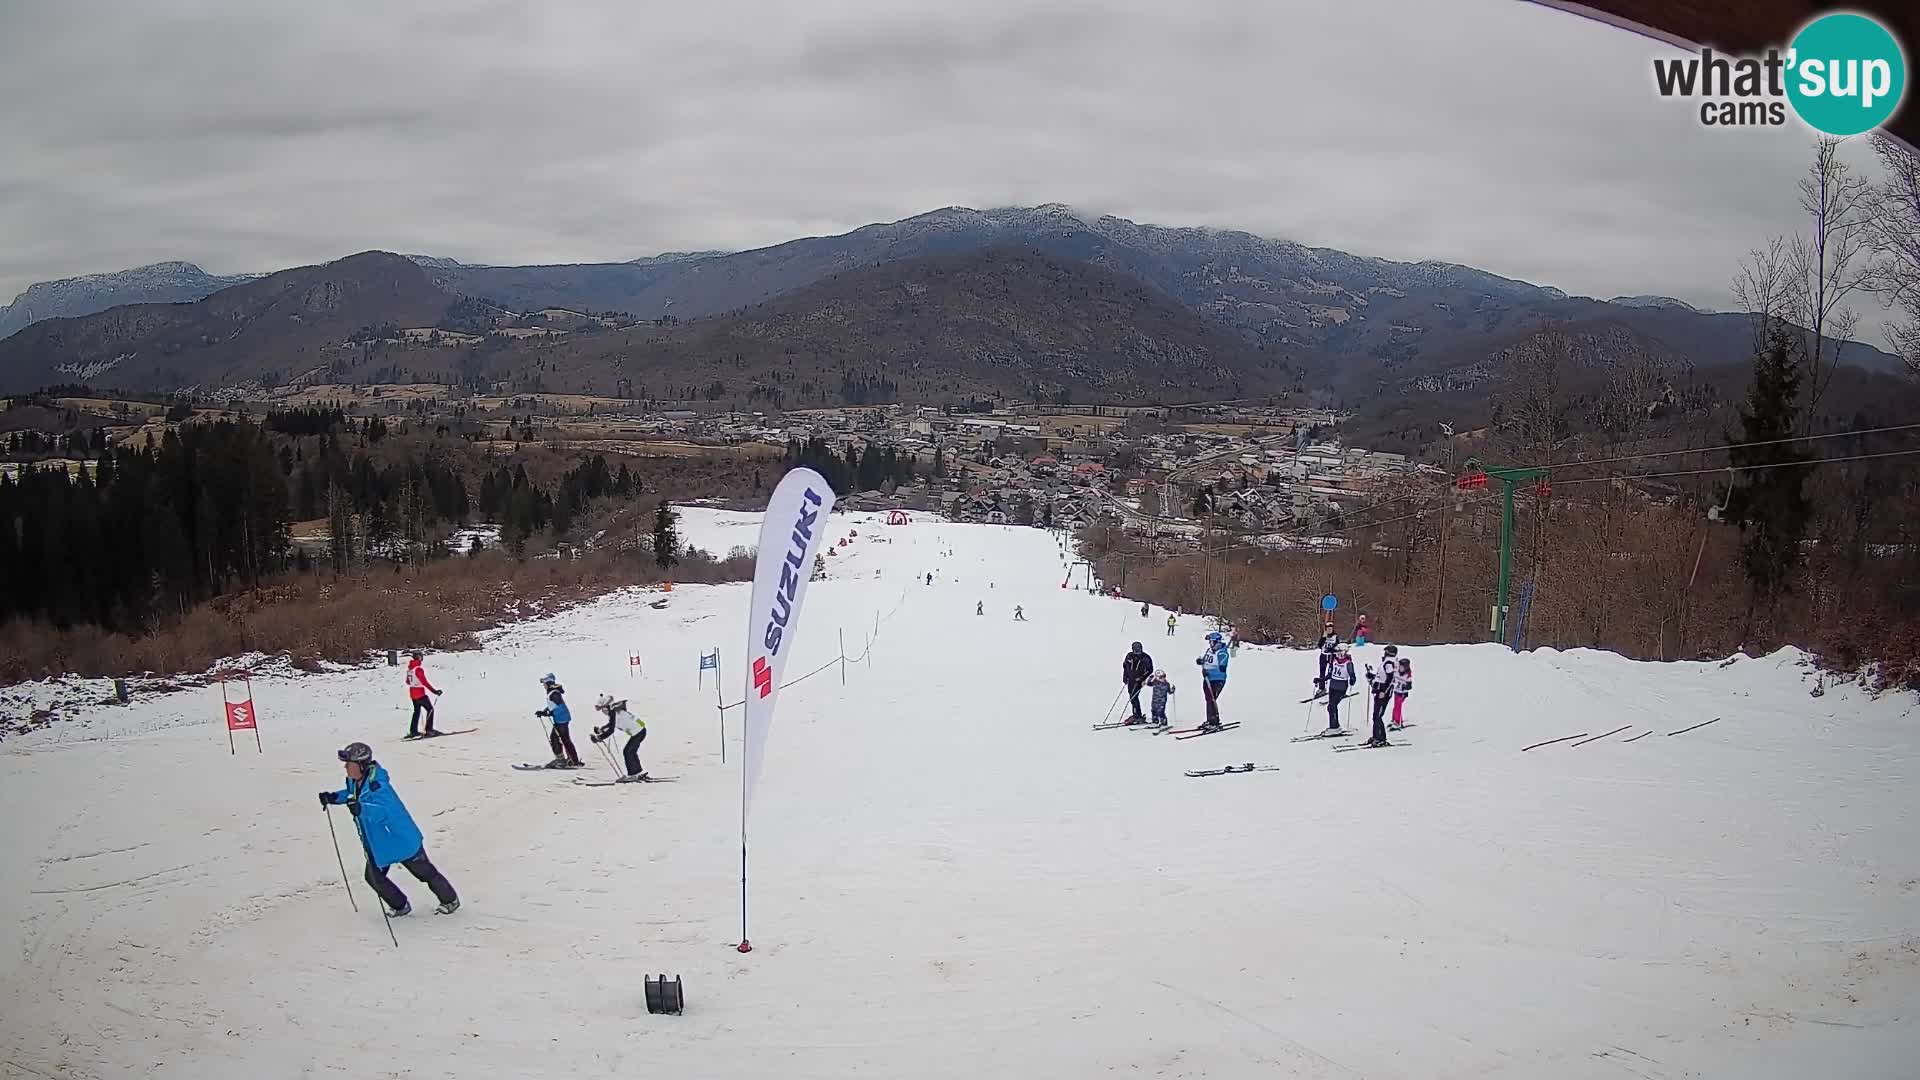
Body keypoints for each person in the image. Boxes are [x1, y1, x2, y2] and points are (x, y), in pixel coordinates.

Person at [319, 742, 459, 916]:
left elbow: (384, 811)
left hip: (401, 840)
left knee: (425, 873)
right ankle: (400, 905)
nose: (346, 767)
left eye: (349, 764)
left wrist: (362, 809)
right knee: (373, 877)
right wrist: (334, 797)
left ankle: (450, 900)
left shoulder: (378, 786)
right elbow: (352, 795)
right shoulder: (355, 782)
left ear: (361, 765)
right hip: (380, 844)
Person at [590, 694, 648, 781]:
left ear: (606, 708)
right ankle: (637, 772)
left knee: (628, 752)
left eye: (603, 710)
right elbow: (611, 725)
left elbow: (611, 729)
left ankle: (634, 774)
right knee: (630, 751)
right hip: (640, 731)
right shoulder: (615, 710)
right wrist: (601, 730)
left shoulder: (614, 713)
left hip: (639, 733)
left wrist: (599, 737)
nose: (603, 712)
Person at [535, 672, 583, 768]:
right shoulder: (553, 692)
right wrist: (544, 712)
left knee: (558, 739)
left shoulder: (554, 693)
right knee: (561, 739)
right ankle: (571, 760)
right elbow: (552, 706)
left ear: (548, 683)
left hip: (561, 719)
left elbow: (558, 705)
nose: (543, 685)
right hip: (561, 719)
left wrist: (547, 713)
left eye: (544, 683)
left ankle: (563, 760)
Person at [1364, 645, 1399, 746]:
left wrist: (1384, 691)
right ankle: (1376, 736)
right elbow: (1382, 676)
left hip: (1383, 692)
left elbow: (1390, 678)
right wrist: (1372, 676)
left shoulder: (1389, 663)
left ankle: (1380, 738)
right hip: (1379, 690)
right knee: (1375, 715)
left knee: (1378, 715)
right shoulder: (1387, 662)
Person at [402, 650, 441, 739]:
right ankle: (429, 730)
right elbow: (424, 682)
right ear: (419, 658)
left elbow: (407, 682)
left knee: (416, 711)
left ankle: (413, 731)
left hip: (412, 694)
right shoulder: (418, 669)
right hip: (420, 693)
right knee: (430, 709)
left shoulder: (410, 669)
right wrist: (434, 691)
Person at [1195, 631, 1230, 730]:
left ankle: (1214, 721)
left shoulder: (1222, 653)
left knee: (1211, 699)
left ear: (1217, 642)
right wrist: (1201, 661)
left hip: (1217, 680)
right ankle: (1210, 719)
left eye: (1212, 642)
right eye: (1210, 642)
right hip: (1207, 679)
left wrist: (1210, 672)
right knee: (1208, 699)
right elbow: (1207, 661)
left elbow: (1222, 668)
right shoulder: (1209, 650)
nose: (1210, 644)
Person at [1323, 643, 1356, 733]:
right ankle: (1334, 726)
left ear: (1344, 652)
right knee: (1330, 707)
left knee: (1332, 706)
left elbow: (1352, 675)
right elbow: (1330, 674)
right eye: (1336, 652)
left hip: (1341, 687)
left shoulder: (1348, 663)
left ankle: (1334, 727)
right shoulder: (1334, 661)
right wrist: (1321, 680)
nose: (1337, 653)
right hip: (1332, 686)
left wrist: (1352, 679)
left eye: (1339, 651)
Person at [1121, 641, 1154, 724]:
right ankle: (1136, 714)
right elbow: (1125, 666)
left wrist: (1141, 678)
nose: (1137, 651)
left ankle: (1137, 716)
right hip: (1130, 679)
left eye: (1139, 649)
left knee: (1134, 697)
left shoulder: (1145, 658)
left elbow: (1149, 670)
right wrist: (1125, 677)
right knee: (1132, 697)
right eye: (1136, 650)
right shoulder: (1129, 656)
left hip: (1138, 681)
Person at [1314, 624, 1340, 692]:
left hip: (1332, 656)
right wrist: (1323, 638)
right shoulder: (1324, 636)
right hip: (1323, 656)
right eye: (1328, 629)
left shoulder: (1335, 636)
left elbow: (1338, 647)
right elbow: (1320, 645)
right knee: (1322, 672)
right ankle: (1321, 688)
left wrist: (1332, 649)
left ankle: (1334, 688)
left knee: (1332, 672)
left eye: (1330, 629)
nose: (1329, 630)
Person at [1392, 656, 1413, 730]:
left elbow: (1409, 686)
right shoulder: (1396, 672)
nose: (1400, 668)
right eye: (1400, 666)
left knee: (1398, 706)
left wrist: (1405, 686)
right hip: (1396, 691)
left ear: (1406, 667)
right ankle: (1394, 720)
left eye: (1402, 667)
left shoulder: (1408, 675)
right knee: (1395, 706)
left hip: (1402, 693)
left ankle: (1398, 722)